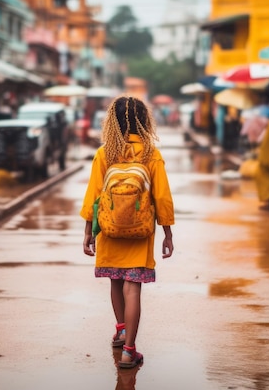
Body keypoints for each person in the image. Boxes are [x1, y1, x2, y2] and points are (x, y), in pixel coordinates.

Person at [80, 96, 175, 369]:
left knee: (115, 281)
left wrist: (88, 230)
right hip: (140, 231)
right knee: (133, 288)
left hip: (109, 230)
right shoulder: (150, 153)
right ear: (144, 121)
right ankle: (129, 351)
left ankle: (121, 331)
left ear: (113, 121)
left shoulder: (105, 153)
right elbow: (162, 197)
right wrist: (167, 232)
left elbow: (93, 196)